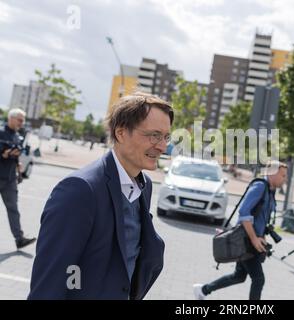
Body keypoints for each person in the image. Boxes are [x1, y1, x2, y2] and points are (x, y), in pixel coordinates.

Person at [29, 92, 173, 299]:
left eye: (166, 137)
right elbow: (50, 281)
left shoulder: (145, 186)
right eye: (154, 135)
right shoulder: (79, 190)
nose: (162, 146)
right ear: (121, 133)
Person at [193, 160, 288, 300]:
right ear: (272, 174)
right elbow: (244, 213)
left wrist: (262, 237)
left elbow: (260, 218)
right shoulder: (260, 187)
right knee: (258, 279)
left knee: (238, 276)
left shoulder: (270, 191)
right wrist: (255, 239)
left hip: (253, 240)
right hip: (246, 241)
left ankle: (203, 290)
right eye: (283, 175)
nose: (284, 179)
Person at [0, 108, 36, 249]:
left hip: (9, 180)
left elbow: (16, 154)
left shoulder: (18, 136)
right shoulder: (1, 133)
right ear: (11, 118)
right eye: (20, 120)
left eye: (23, 120)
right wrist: (3, 155)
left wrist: (18, 165)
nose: (22, 123)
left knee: (13, 209)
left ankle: (19, 239)